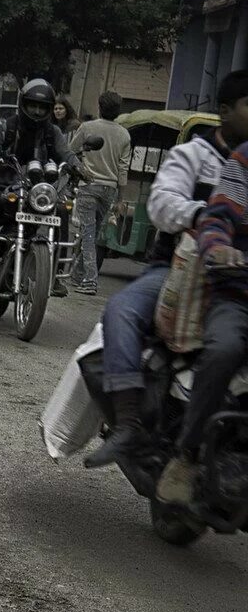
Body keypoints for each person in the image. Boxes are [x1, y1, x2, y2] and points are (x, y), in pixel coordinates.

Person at [84, 72, 246, 468]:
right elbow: (161, 205)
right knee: (121, 310)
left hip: (239, 282)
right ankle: (128, 423)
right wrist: (207, 216)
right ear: (224, 112)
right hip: (180, 269)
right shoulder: (194, 155)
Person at [158, 70, 248, 501]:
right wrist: (218, 247)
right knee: (225, 349)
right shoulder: (243, 161)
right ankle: (187, 454)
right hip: (237, 294)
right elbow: (217, 217)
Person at [0, 79, 77, 287]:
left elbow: (66, 153)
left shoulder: (53, 133)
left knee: (61, 210)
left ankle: (56, 273)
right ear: (23, 103)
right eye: (33, 105)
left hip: (37, 190)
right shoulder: (6, 126)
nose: (38, 112)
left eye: (43, 108)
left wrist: (79, 167)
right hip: (3, 185)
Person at [67, 92, 133, 295]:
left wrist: (79, 167)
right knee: (92, 234)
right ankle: (76, 276)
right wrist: (121, 199)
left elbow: (70, 151)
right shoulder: (124, 134)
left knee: (87, 234)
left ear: (99, 107)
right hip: (110, 189)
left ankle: (90, 280)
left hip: (89, 185)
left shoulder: (87, 127)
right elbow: (123, 169)